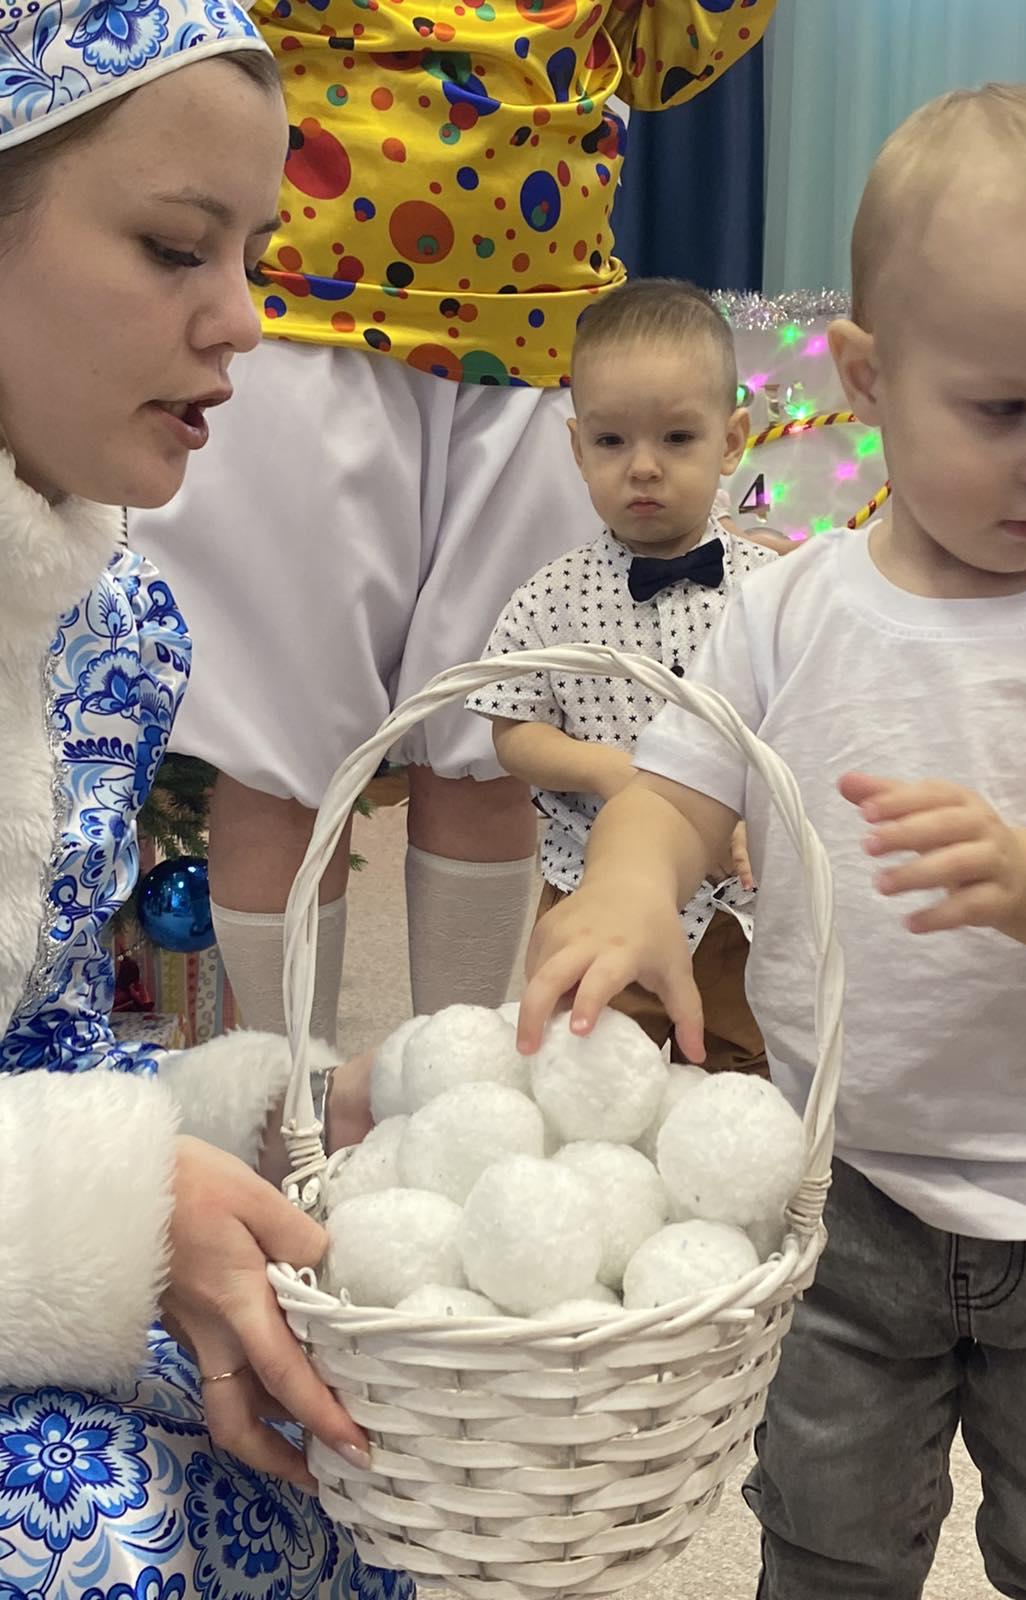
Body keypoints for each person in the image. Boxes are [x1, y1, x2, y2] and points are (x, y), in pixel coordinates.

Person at [519, 85, 1026, 1598]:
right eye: (1005, 409)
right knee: (824, 1533)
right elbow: (674, 799)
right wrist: (628, 898)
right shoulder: (784, 610)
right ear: (870, 376)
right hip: (846, 1185)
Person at [127, 1, 776, 1045]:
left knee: (492, 744)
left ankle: (458, 1101)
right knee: (284, 762)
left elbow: (675, 49)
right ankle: (274, 1106)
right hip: (305, 298)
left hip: (544, 315)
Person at [0, 9, 409, 1594]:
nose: (243, 320)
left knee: (347, 1444)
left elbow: (45, 1049)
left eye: (253, 250)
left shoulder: (107, 630)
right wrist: (119, 1205)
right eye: (179, 246)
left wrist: (272, 1114)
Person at [467, 279, 773, 1074]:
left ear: (732, 440)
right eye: (611, 443)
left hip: (743, 903)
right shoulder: (550, 594)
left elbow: (799, 723)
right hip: (592, 887)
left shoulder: (770, 593)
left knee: (752, 1067)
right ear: (576, 448)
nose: (642, 468)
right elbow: (511, 728)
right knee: (591, 1066)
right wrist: (612, 772)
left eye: (677, 438)